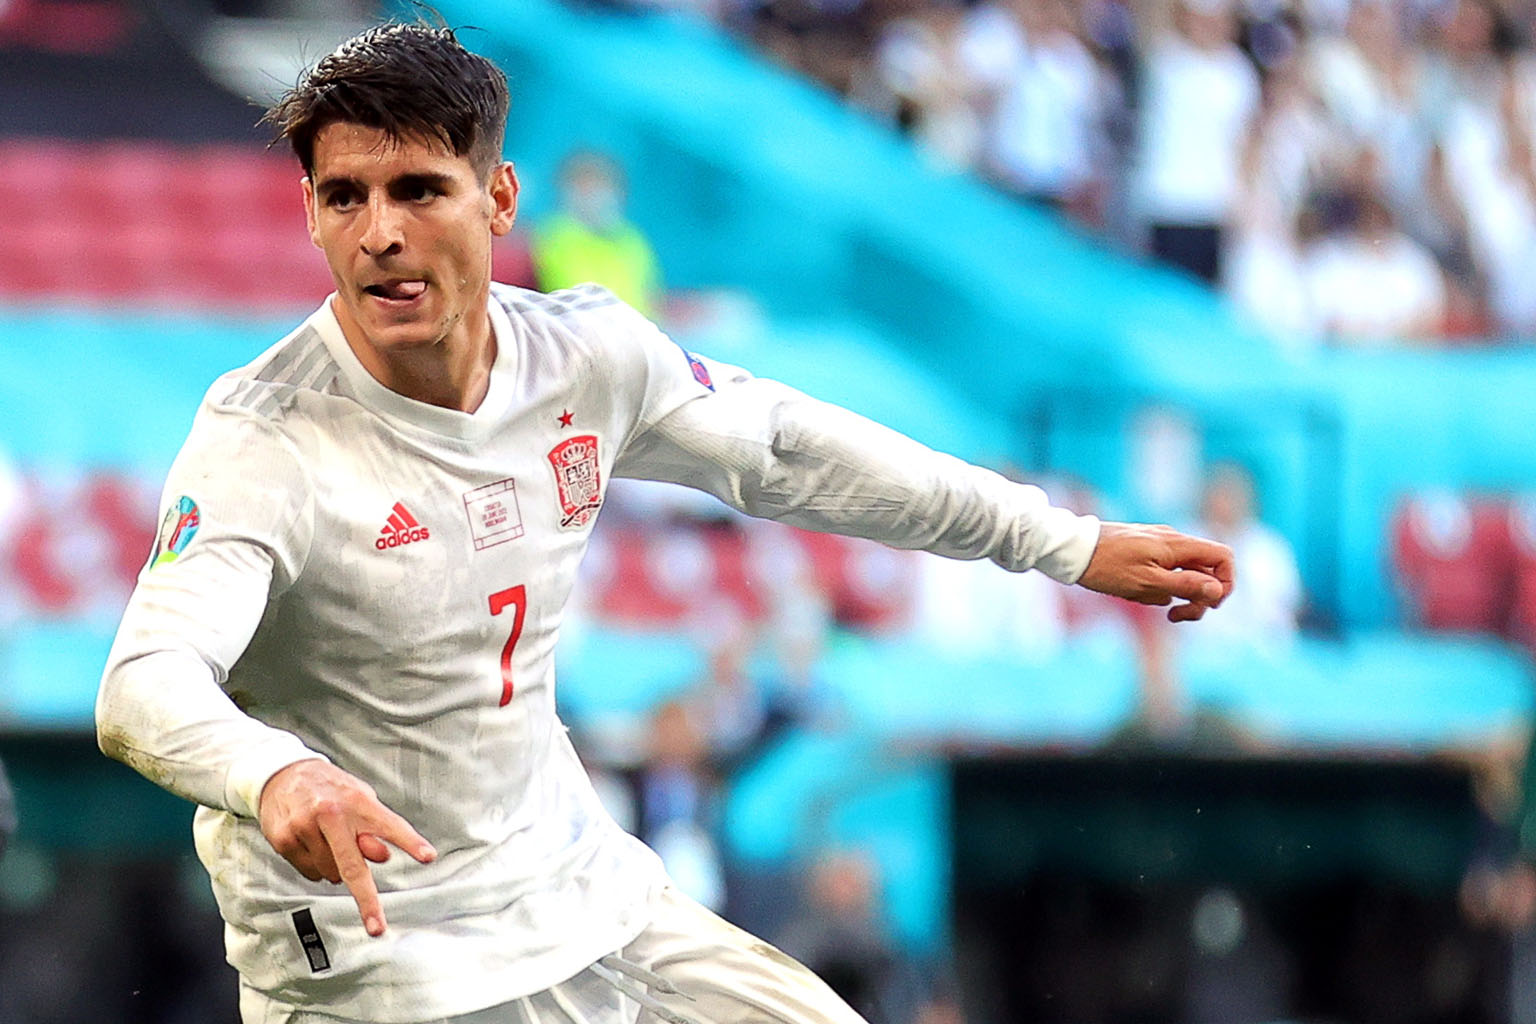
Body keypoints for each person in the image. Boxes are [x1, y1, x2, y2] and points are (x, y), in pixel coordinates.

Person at [95, 21, 1235, 1024]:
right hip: (382, 961)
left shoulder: (584, 357)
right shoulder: (266, 438)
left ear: (497, 198)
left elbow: (788, 448)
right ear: (309, 212)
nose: (378, 231)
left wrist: (1064, 541)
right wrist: (274, 773)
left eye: (417, 191)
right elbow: (146, 679)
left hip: (577, 887)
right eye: (345, 197)